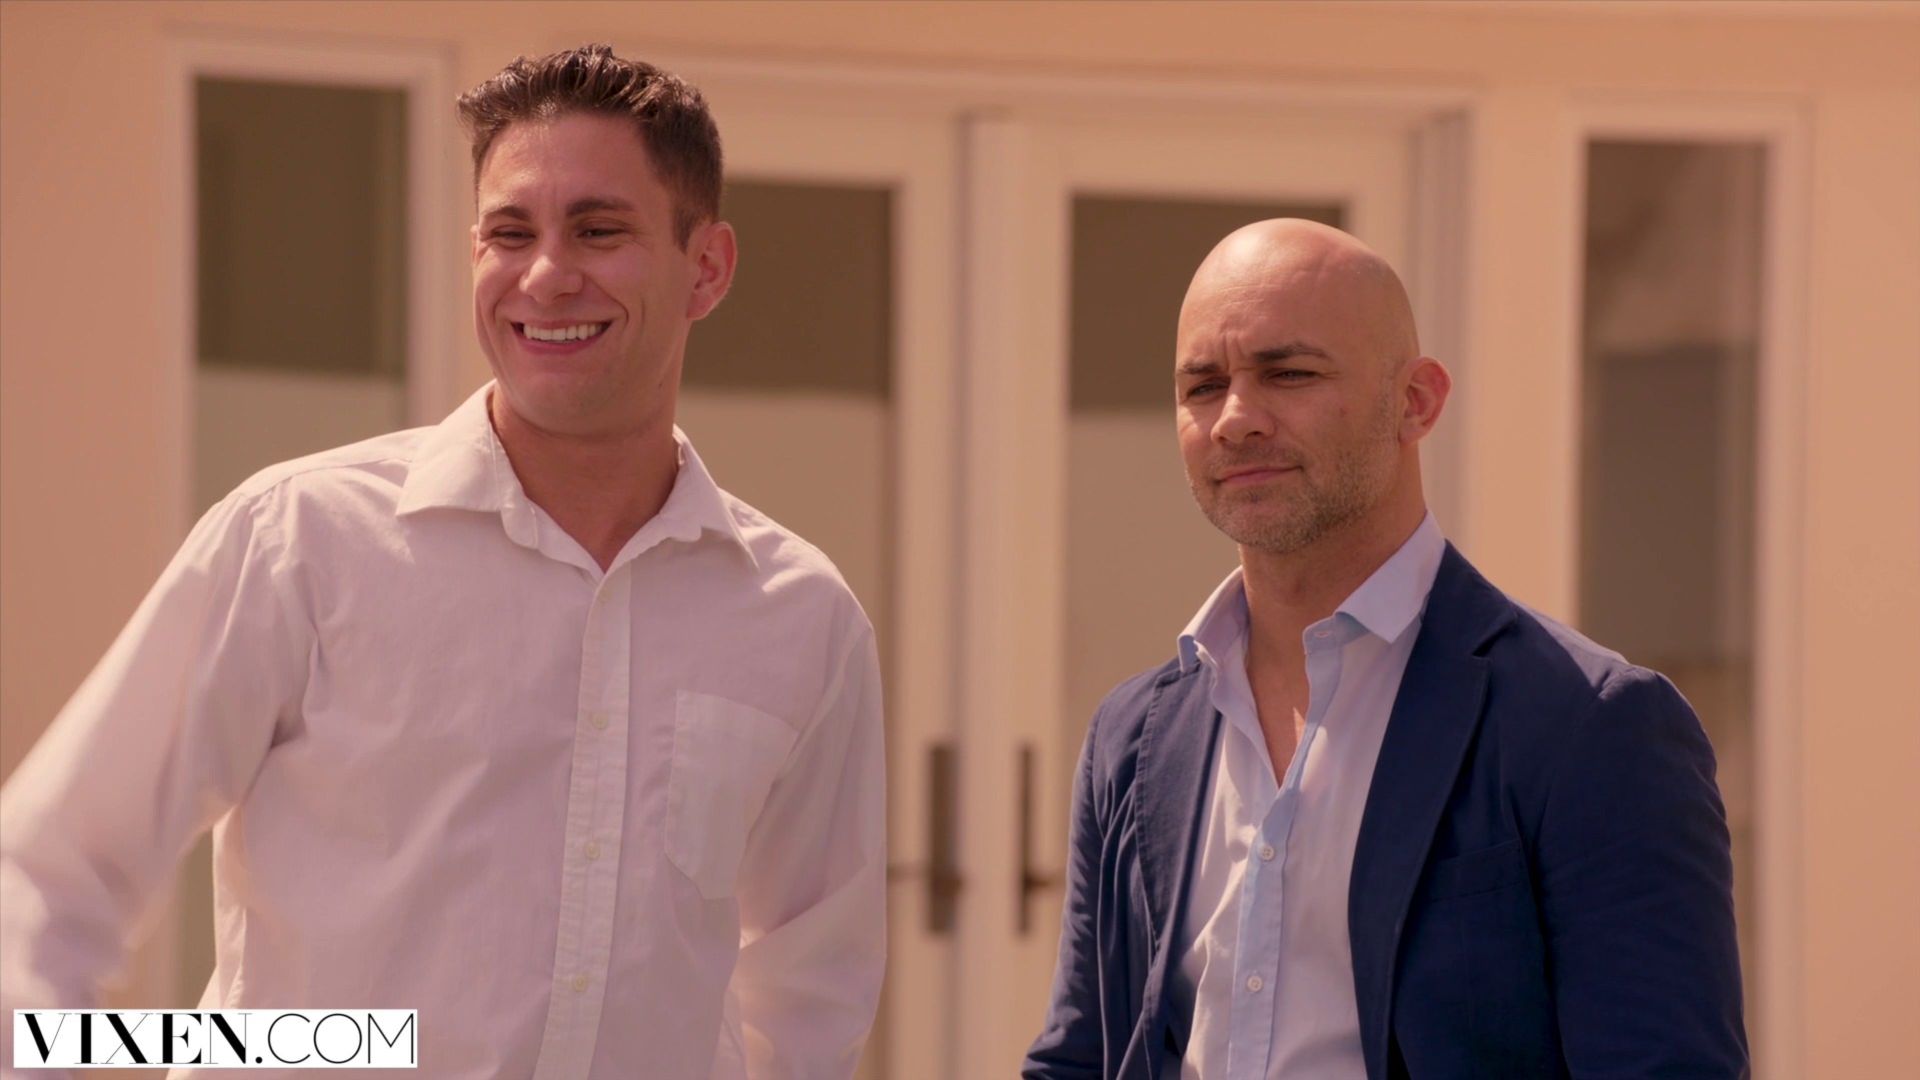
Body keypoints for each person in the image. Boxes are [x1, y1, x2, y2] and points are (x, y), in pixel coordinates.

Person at [0, 45, 884, 1079]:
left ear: (708, 268)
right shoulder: (302, 541)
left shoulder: (801, 618)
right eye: (510, 233)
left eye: (599, 230)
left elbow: (809, 1002)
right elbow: (48, 875)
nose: (546, 274)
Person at [1024, 219, 1746, 1079]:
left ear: (1417, 401)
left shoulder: (1591, 727)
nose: (1234, 420)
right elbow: (1078, 1059)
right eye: (1203, 387)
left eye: (1289, 373)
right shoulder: (1133, 738)